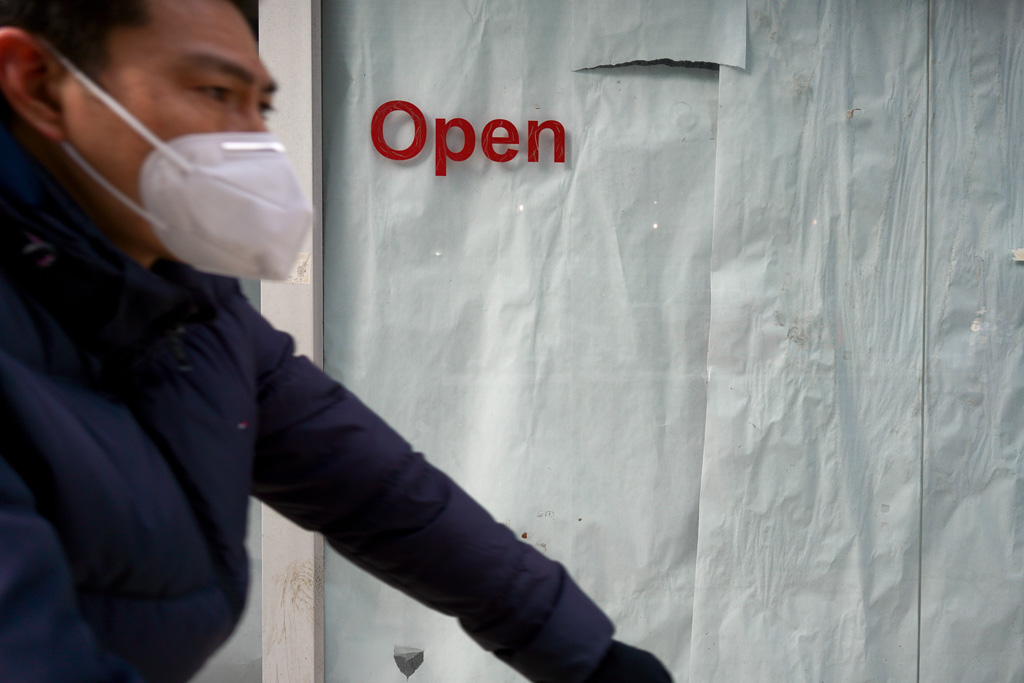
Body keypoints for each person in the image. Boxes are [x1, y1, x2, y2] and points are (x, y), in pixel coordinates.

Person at [0, 1, 674, 681]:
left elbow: (374, 488)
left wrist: (586, 655)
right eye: (213, 92)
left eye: (258, 105)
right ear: (33, 81)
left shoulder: (189, 306)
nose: (253, 143)